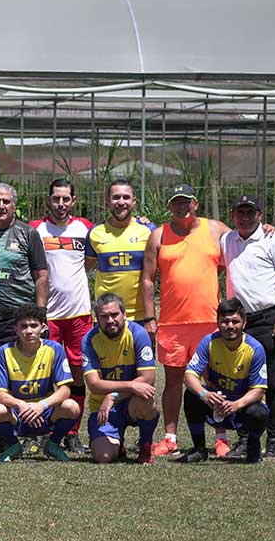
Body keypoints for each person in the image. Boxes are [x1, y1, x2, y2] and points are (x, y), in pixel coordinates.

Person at [140, 183, 229, 457]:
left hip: (209, 322)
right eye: (176, 202)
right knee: (173, 382)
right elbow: (147, 279)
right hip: (173, 324)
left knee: (214, 380)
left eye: (186, 201)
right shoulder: (158, 235)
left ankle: (221, 438)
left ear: (195, 204)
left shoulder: (215, 229)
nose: (181, 206)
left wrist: (267, 229)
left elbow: (244, 242)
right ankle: (170, 438)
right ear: (170, 206)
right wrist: (150, 318)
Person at [220, 194, 275, 458]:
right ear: (233, 216)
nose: (245, 217)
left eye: (250, 212)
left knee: (272, 381)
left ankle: (273, 441)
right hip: (239, 321)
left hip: (267, 318)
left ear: (260, 215)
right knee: (240, 382)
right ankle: (245, 440)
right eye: (240, 212)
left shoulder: (273, 238)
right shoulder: (226, 239)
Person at [28, 179, 92, 454]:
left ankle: (72, 432)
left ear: (73, 201)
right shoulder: (35, 229)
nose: (61, 204)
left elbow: (92, 259)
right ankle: (39, 430)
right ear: (48, 200)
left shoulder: (85, 228)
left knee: (77, 373)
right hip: (47, 315)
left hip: (79, 314)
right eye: (56, 198)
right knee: (42, 373)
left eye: (66, 199)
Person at [177, 299, 269, 464]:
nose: (230, 326)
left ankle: (252, 448)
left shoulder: (255, 349)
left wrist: (236, 405)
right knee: (191, 395)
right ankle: (199, 449)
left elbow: (259, 390)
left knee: (258, 412)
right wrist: (204, 394)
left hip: (241, 407)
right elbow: (189, 376)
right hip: (217, 405)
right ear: (218, 322)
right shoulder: (209, 342)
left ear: (244, 323)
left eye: (235, 321)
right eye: (225, 321)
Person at [0, 303, 79, 462]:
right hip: (19, 413)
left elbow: (65, 390)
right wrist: (20, 405)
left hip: (45, 413)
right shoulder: (5, 351)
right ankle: (13, 445)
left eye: (33, 326)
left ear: (43, 328)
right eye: (23, 326)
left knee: (72, 407)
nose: (29, 331)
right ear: (16, 329)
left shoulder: (54, 349)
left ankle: (53, 444)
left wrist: (42, 405)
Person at [0, 183, 48, 375]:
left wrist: (40, 314)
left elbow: (41, 276)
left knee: (18, 373)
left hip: (16, 320)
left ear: (14, 205)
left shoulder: (28, 233)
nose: (1, 206)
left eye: (6, 201)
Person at [81, 293, 159, 465]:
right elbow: (94, 385)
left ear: (124, 314)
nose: (110, 320)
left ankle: (145, 445)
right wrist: (129, 386)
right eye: (104, 316)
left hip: (131, 402)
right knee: (103, 457)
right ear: (97, 319)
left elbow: (148, 378)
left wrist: (113, 395)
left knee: (147, 400)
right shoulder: (89, 340)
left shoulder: (138, 334)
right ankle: (118, 444)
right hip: (103, 408)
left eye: (114, 314)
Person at [86, 178, 155, 321]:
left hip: (140, 316)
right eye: (116, 197)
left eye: (126, 197)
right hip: (107, 316)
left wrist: (151, 317)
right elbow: (84, 269)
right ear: (107, 201)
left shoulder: (149, 230)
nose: (121, 202)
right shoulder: (95, 233)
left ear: (134, 201)